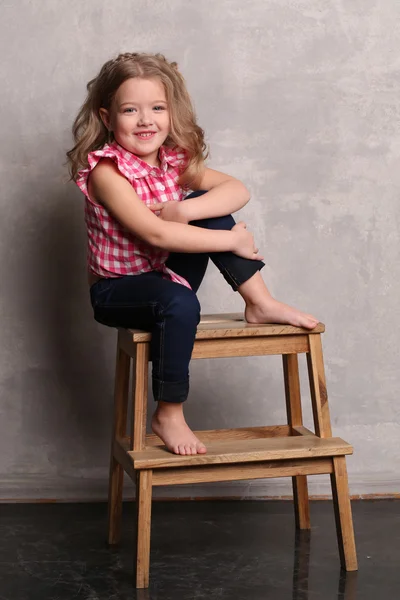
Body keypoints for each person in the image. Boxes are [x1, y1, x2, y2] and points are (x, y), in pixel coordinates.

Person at [66, 52, 318, 457]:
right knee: (181, 302)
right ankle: (168, 412)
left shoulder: (172, 160)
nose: (146, 120)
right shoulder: (107, 172)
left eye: (157, 108)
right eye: (130, 110)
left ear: (171, 112)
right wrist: (232, 242)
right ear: (107, 118)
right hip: (119, 291)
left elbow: (238, 189)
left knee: (209, 203)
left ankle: (260, 302)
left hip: (165, 273)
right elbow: (153, 231)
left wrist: (186, 209)